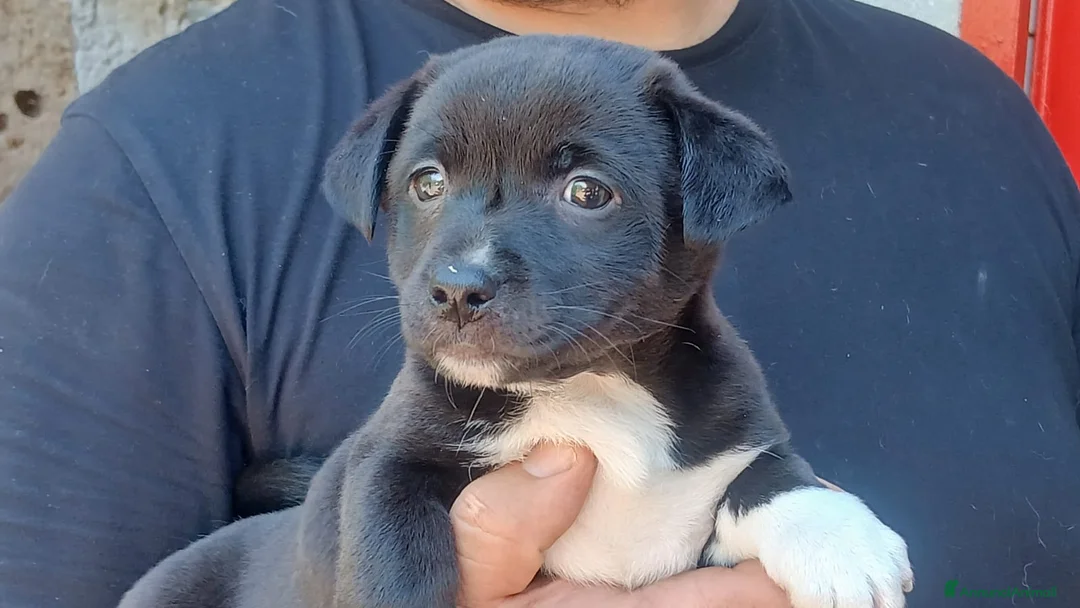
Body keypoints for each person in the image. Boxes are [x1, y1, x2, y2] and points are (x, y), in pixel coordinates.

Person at [1, 0, 1077, 606]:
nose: (463, 264)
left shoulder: (981, 112)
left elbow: (748, 464)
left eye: (584, 191)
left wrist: (800, 509)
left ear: (693, 210)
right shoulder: (155, 156)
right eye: (428, 186)